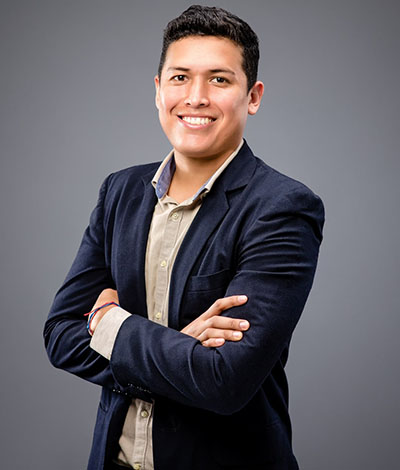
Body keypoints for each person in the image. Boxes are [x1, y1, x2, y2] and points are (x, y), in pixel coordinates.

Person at [44, 5, 324, 470]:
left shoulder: (282, 207)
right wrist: (180, 345)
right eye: (180, 78)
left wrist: (110, 324)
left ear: (252, 96)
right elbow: (59, 335)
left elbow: (224, 381)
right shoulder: (120, 191)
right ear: (159, 90)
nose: (195, 97)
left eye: (219, 79)